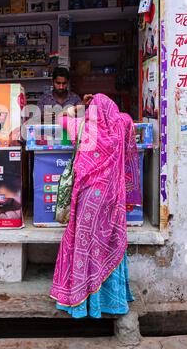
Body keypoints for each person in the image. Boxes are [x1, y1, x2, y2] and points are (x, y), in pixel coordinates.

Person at [50, 93, 141, 318]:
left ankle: (82, 302)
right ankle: (112, 302)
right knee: (109, 243)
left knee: (83, 243)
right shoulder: (122, 125)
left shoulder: (82, 127)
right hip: (112, 197)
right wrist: (100, 101)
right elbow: (125, 117)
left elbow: (60, 118)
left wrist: (77, 108)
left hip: (89, 197)